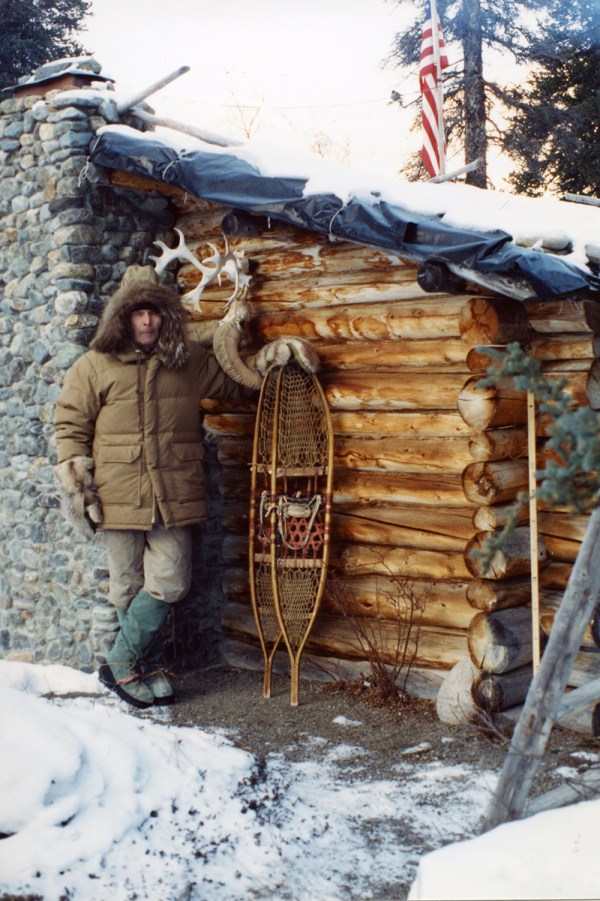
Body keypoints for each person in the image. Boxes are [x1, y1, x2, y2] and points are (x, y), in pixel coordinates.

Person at [54, 268, 260, 709]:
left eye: (155, 313)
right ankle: (144, 668)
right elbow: (70, 426)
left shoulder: (189, 364)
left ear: (166, 318)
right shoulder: (93, 366)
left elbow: (237, 383)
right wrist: (80, 487)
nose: (147, 322)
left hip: (173, 491)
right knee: (126, 587)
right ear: (123, 319)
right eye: (138, 314)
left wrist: (263, 359)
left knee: (170, 580)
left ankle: (120, 663)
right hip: (117, 491)